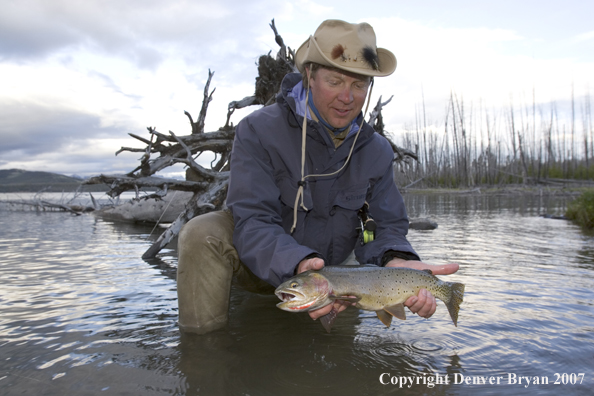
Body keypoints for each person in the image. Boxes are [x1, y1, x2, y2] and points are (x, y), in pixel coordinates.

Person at [177, 19, 459, 334]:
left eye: (359, 84)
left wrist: (395, 260)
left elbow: (381, 228)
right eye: (335, 81)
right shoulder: (258, 130)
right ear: (310, 75)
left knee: (337, 370)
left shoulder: (375, 150)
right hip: (261, 265)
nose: (347, 97)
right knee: (201, 233)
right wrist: (298, 264)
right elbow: (253, 219)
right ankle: (202, 360)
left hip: (340, 284)